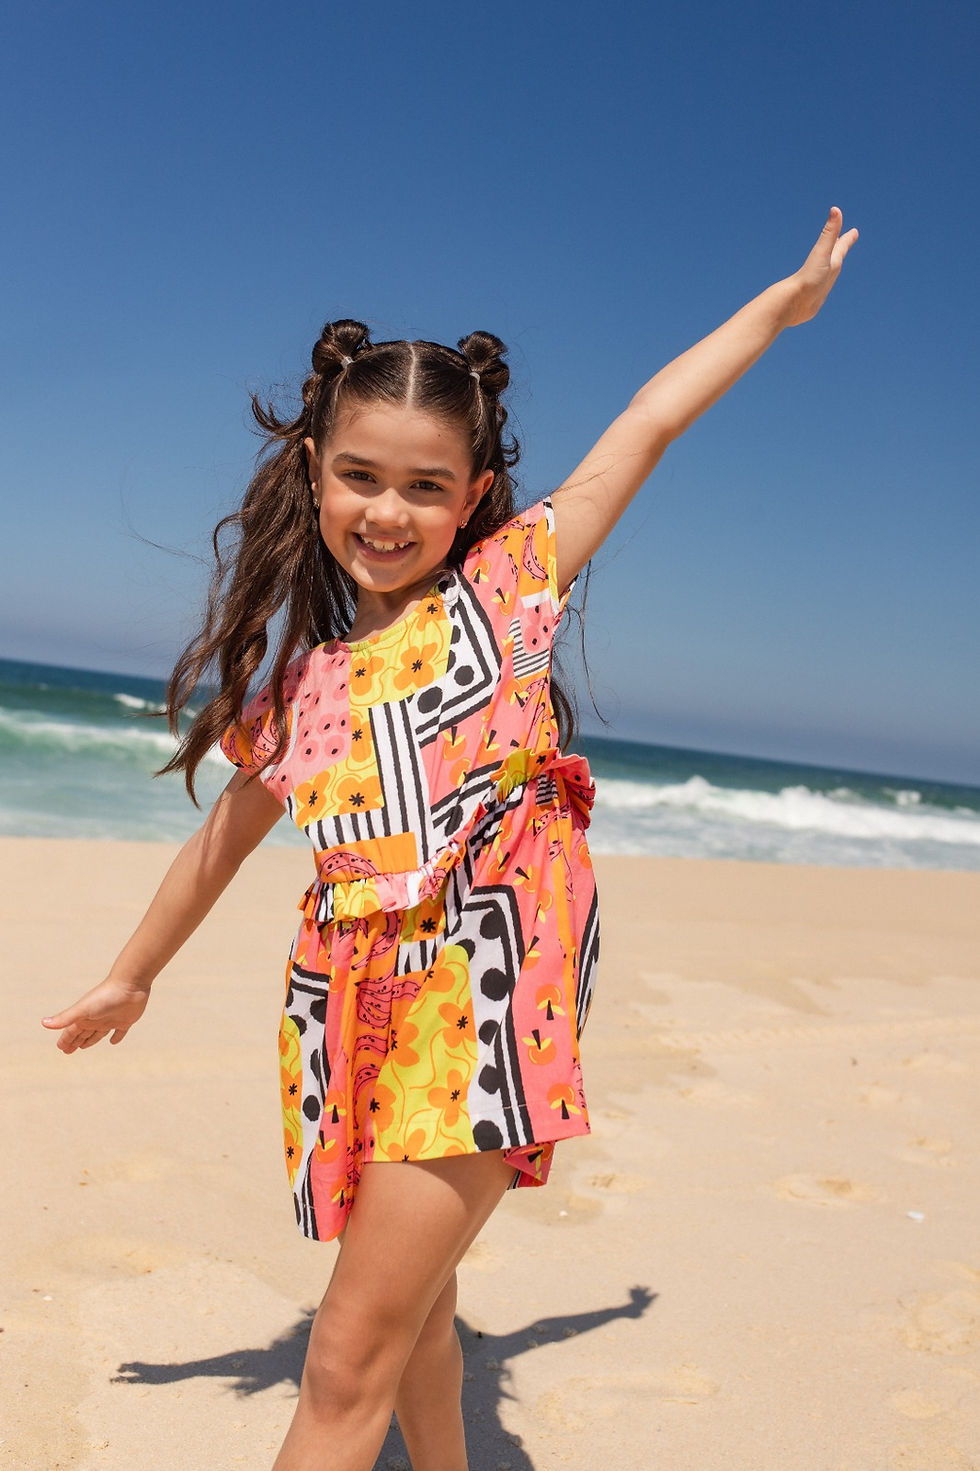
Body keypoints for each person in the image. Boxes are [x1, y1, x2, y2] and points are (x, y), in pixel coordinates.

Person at [42, 207, 857, 1471]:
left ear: (472, 497)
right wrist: (131, 971)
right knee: (416, 1312)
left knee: (342, 1357)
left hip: (487, 983)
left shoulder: (508, 587)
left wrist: (777, 306)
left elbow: (646, 419)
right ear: (314, 470)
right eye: (361, 476)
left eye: (426, 486)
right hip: (353, 1004)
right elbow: (218, 845)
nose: (388, 510)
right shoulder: (301, 691)